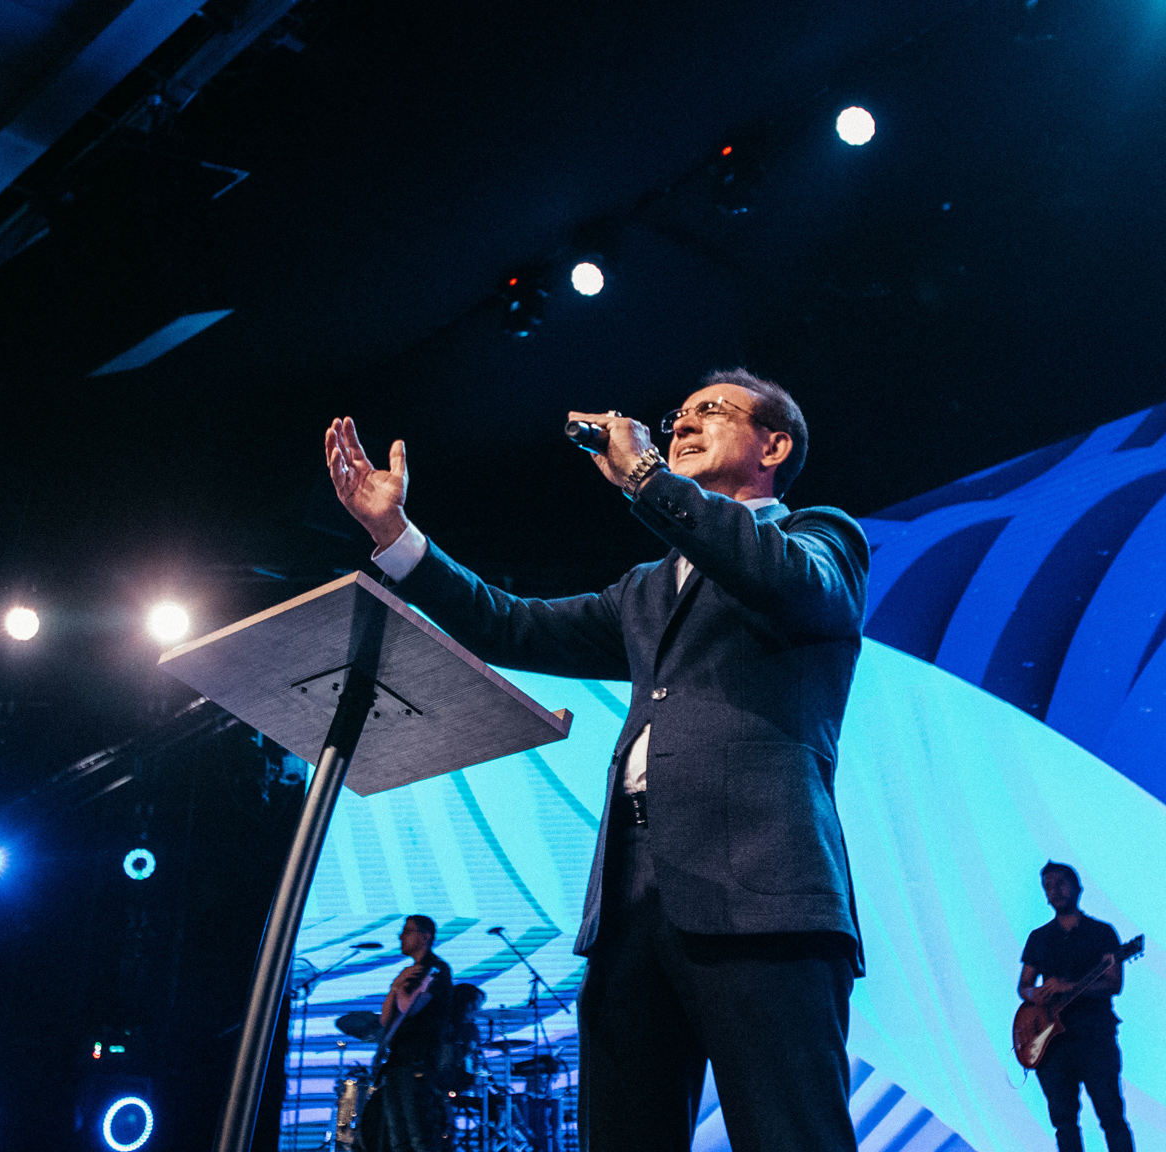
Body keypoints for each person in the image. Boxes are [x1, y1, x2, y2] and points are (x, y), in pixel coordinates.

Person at [325, 368, 869, 1152]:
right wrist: (397, 541)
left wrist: (646, 478)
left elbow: (783, 581)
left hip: (762, 892)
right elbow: (513, 626)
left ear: (773, 446)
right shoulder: (646, 589)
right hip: (632, 903)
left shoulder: (820, 540)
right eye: (676, 415)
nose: (681, 425)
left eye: (710, 413)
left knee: (792, 1135)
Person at [1018, 862, 1134, 1152]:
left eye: (1060, 883)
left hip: (1094, 1036)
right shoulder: (1038, 938)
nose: (1054, 891)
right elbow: (1024, 986)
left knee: (1111, 1116)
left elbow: (1113, 983)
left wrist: (1069, 987)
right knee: (1064, 1122)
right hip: (1051, 1044)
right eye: (1048, 886)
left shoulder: (1102, 932)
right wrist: (1038, 993)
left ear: (1077, 887)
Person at [378, 914, 454, 1152]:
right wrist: (395, 987)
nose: (401, 936)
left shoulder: (436, 969)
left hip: (418, 1060)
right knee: (398, 1137)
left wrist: (400, 988)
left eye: (407, 930)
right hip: (397, 1060)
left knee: (419, 1134)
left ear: (425, 937)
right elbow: (385, 1019)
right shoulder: (409, 973)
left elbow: (410, 1008)